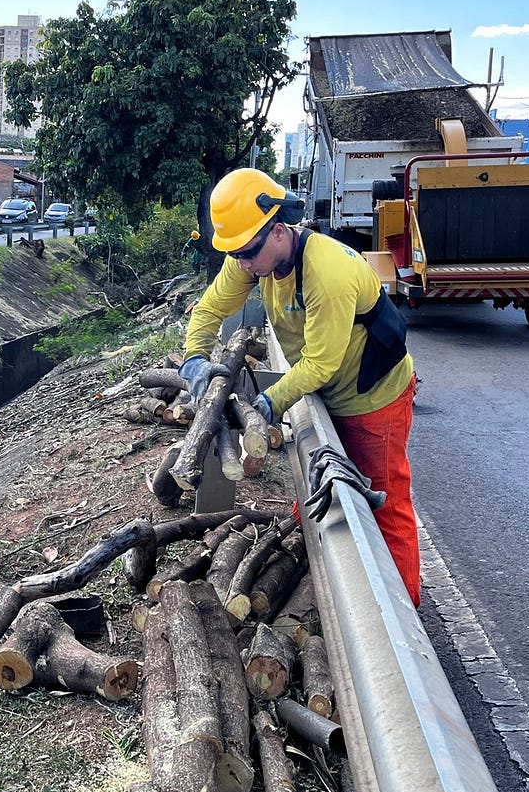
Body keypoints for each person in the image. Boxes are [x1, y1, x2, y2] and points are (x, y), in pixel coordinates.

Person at [179, 169, 420, 605]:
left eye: (247, 252)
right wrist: (194, 358)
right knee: (317, 490)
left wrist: (268, 402)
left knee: (384, 505)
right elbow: (211, 307)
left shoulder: (327, 272)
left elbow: (320, 363)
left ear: (277, 230)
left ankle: (405, 617)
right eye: (234, 253)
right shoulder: (251, 256)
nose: (243, 263)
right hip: (327, 392)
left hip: (374, 398)